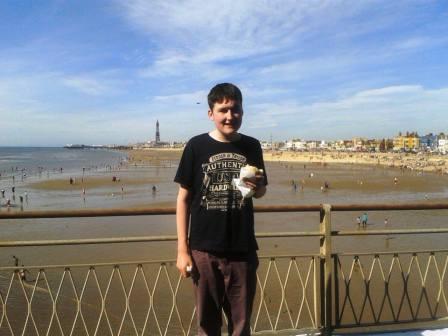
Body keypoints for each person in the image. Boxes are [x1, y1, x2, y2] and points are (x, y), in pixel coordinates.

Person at [174, 83, 267, 336]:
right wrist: (183, 250)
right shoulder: (196, 146)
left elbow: (260, 192)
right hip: (204, 250)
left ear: (243, 112)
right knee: (207, 323)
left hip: (243, 249)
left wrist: (258, 186)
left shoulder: (252, 146)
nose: (229, 116)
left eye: (235, 110)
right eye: (223, 109)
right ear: (210, 113)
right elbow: (183, 199)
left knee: (241, 324)